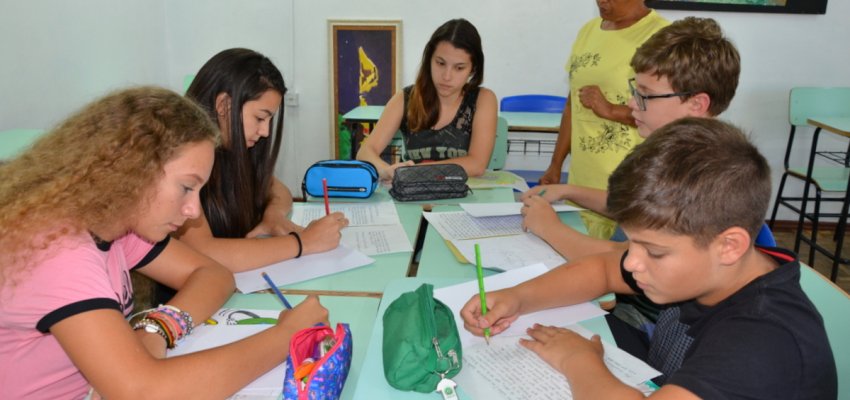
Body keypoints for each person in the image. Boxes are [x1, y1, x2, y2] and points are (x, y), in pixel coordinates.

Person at [462, 118, 837, 399]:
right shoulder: (708, 266)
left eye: (653, 251)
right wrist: (516, 297)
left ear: (730, 246)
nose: (633, 262)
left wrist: (577, 360)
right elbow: (604, 268)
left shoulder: (763, 339)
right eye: (634, 242)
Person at [0, 87, 329, 399]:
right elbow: (145, 392)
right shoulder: (57, 252)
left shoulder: (116, 225)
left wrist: (158, 328)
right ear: (131, 172)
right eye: (187, 188)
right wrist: (288, 336)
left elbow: (213, 274)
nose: (193, 211)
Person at [522, 17, 740, 260]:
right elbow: (636, 207)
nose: (630, 104)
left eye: (646, 95)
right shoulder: (672, 150)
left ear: (696, 104)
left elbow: (626, 261)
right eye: (635, 90)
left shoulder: (702, 175)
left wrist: (549, 228)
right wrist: (568, 191)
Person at [177, 48, 348, 273]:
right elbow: (204, 252)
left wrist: (273, 215)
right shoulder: (179, 162)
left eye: (269, 120)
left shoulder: (231, 151)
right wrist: (304, 243)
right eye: (259, 118)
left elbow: (279, 190)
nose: (266, 132)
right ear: (224, 106)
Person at [539, 0, 668, 240]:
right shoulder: (588, 31)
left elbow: (665, 115)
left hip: (628, 181)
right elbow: (572, 106)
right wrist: (556, 164)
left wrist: (609, 109)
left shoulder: (660, 36)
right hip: (581, 178)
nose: (602, 2)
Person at [356, 18, 498, 181]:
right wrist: (386, 170)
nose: (447, 76)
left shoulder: (483, 99)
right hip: (414, 197)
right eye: (440, 63)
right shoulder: (405, 98)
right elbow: (365, 152)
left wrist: (413, 171)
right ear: (429, 60)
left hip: (464, 198)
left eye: (459, 68)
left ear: (473, 69)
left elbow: (477, 164)